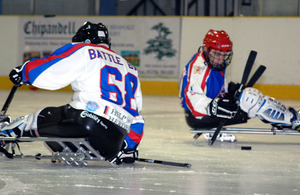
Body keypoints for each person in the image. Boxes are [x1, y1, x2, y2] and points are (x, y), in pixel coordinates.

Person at [0, 21, 144, 164]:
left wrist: (24, 71)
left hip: (86, 121)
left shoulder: (85, 50)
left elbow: (54, 67)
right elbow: (137, 117)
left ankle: (5, 133)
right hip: (114, 140)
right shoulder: (130, 67)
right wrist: (128, 148)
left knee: (43, 115)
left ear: (84, 39)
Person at [179, 29, 299, 130]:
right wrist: (215, 106)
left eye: (224, 54)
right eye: (217, 54)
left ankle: (289, 117)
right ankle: (291, 121)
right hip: (199, 117)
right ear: (206, 49)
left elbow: (215, 86)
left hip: (210, 107)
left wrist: (232, 89)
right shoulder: (198, 68)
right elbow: (191, 98)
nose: (221, 59)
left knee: (251, 95)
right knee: (251, 99)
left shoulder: (212, 61)